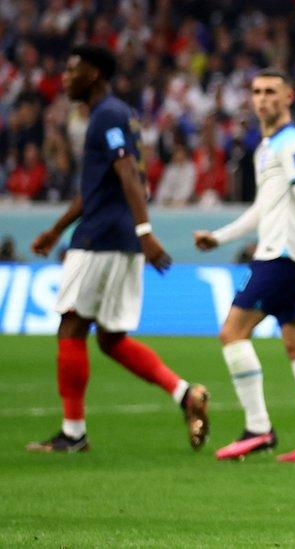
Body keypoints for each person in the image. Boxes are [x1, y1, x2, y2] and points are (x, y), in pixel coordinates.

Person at [26, 45, 209, 453]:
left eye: (73, 70)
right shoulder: (118, 114)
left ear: (93, 73)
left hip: (101, 238)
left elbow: (128, 173)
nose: (66, 77)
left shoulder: (106, 114)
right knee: (110, 338)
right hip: (118, 235)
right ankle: (184, 393)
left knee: (71, 326)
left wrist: (146, 230)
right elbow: (98, 187)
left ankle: (73, 434)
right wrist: (57, 229)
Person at [193, 69, 295, 463]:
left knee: (232, 332)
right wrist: (221, 237)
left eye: (271, 91)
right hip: (290, 254)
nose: (262, 99)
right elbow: (264, 208)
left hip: (285, 257)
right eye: (256, 92)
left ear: (288, 97)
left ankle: (258, 427)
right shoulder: (266, 147)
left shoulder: (292, 142)